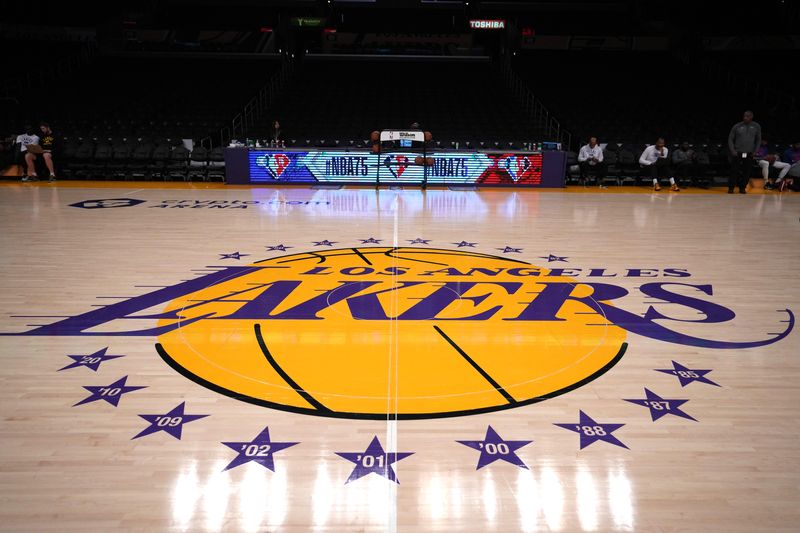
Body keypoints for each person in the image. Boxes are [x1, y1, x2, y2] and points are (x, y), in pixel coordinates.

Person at [727, 110, 761, 194]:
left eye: (747, 116)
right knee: (734, 170)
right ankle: (731, 187)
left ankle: (742, 188)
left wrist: (755, 151)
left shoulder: (756, 126)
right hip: (737, 152)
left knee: (747, 171)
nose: (745, 118)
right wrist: (732, 150)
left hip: (749, 153)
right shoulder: (737, 126)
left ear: (751, 117)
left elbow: (758, 140)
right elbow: (730, 139)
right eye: (744, 116)